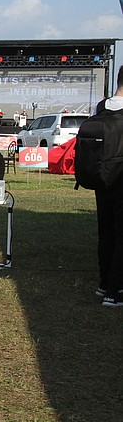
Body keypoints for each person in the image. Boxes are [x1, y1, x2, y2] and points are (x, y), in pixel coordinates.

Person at [94, 66, 123, 307]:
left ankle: (104, 284)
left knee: (106, 234)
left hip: (102, 179)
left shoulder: (102, 107)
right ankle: (115, 291)